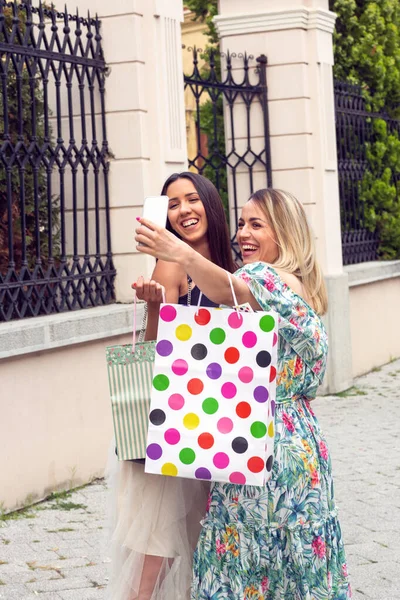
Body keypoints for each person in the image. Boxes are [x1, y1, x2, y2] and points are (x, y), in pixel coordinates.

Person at [135, 188, 352, 599]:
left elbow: (223, 292)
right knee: (298, 566)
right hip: (304, 444)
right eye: (240, 224)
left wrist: (178, 252)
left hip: (260, 442)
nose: (243, 234)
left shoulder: (261, 277)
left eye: (256, 224)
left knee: (245, 565)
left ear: (285, 232)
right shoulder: (304, 285)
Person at [107, 172, 235, 600]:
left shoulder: (235, 263)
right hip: (176, 417)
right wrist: (156, 308)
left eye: (192, 199)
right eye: (173, 203)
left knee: (206, 533)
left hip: (223, 416)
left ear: (211, 205)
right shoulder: (171, 264)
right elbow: (154, 350)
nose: (184, 210)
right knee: (159, 539)